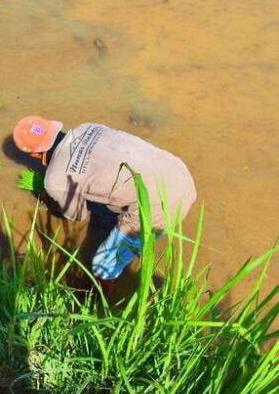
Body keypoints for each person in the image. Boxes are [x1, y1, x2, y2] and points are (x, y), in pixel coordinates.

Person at [12, 116, 197, 286]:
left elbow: (78, 216)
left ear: (34, 154)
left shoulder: (55, 180)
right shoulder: (88, 127)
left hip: (164, 207)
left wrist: (50, 198)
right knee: (104, 203)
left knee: (103, 266)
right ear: (53, 128)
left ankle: (100, 300)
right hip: (179, 174)